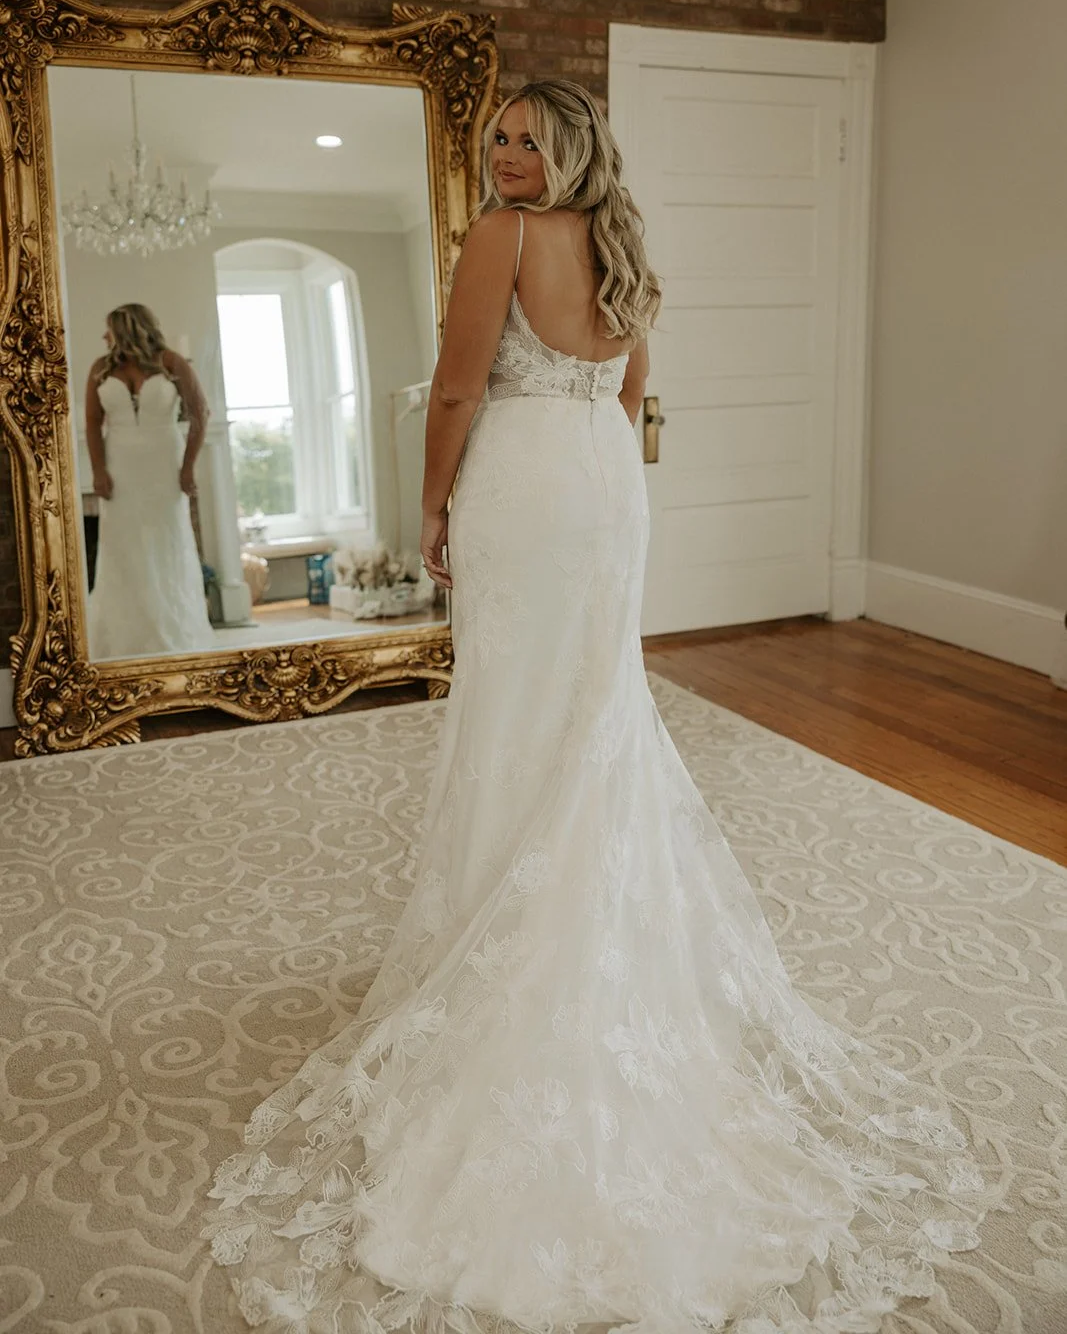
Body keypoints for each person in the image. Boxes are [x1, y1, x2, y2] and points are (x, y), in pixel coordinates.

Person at [203, 82, 988, 1333]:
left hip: (521, 480)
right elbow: (624, 398)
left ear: (569, 149)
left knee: (520, 717)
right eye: (498, 140)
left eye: (529, 139)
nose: (508, 157)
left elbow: (457, 393)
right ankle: (576, 915)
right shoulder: (621, 241)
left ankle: (511, 943)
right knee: (592, 710)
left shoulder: (500, 236)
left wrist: (430, 509)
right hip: (603, 487)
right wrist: (596, 479)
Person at [85, 302, 215, 659]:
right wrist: (98, 470)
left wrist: (188, 467)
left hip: (163, 466)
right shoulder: (100, 368)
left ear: (127, 329)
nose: (104, 336)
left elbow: (201, 413)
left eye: (109, 328)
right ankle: (124, 641)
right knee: (123, 548)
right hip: (120, 467)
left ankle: (174, 635)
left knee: (166, 545)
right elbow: (93, 423)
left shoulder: (171, 362)